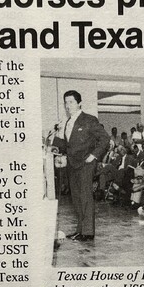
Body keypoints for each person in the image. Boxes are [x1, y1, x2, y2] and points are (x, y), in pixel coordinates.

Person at [52, 90, 109, 241]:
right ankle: (80, 230)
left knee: (85, 197)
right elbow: (67, 145)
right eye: (66, 102)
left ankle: (88, 232)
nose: (68, 105)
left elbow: (105, 139)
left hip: (85, 164)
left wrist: (94, 155)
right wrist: (57, 136)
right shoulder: (68, 122)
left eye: (71, 102)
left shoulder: (89, 120)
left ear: (79, 103)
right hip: (72, 164)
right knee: (76, 198)